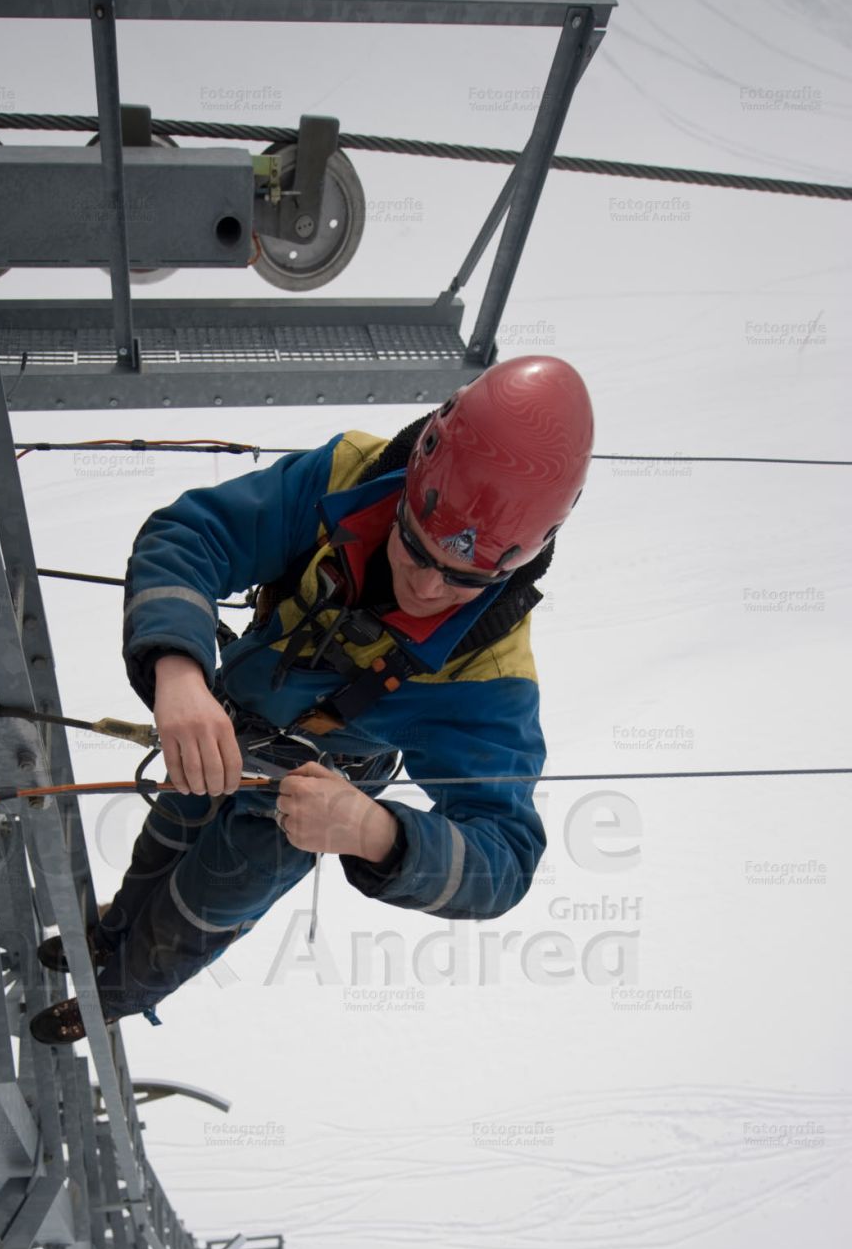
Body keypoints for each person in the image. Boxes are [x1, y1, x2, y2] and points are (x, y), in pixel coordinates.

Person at [29, 354, 594, 1044]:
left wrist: (375, 832)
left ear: (514, 565)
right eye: (413, 547)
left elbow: (505, 858)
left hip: (297, 812)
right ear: (411, 481)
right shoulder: (348, 477)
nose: (424, 587)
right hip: (216, 724)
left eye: (462, 580)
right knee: (161, 846)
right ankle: (107, 935)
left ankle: (114, 995)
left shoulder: (488, 672)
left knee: (194, 914)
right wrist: (178, 671)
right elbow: (191, 535)